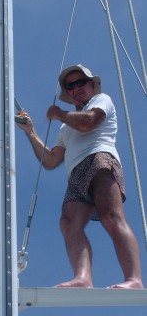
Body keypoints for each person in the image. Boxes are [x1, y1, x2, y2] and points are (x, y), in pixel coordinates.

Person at [16, 64, 143, 288]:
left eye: (81, 82)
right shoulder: (65, 130)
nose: (76, 88)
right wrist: (31, 132)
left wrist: (60, 114)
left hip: (100, 159)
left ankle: (134, 279)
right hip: (76, 173)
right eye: (70, 85)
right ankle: (83, 278)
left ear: (92, 85)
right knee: (68, 223)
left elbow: (89, 122)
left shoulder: (101, 100)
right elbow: (51, 160)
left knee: (111, 216)